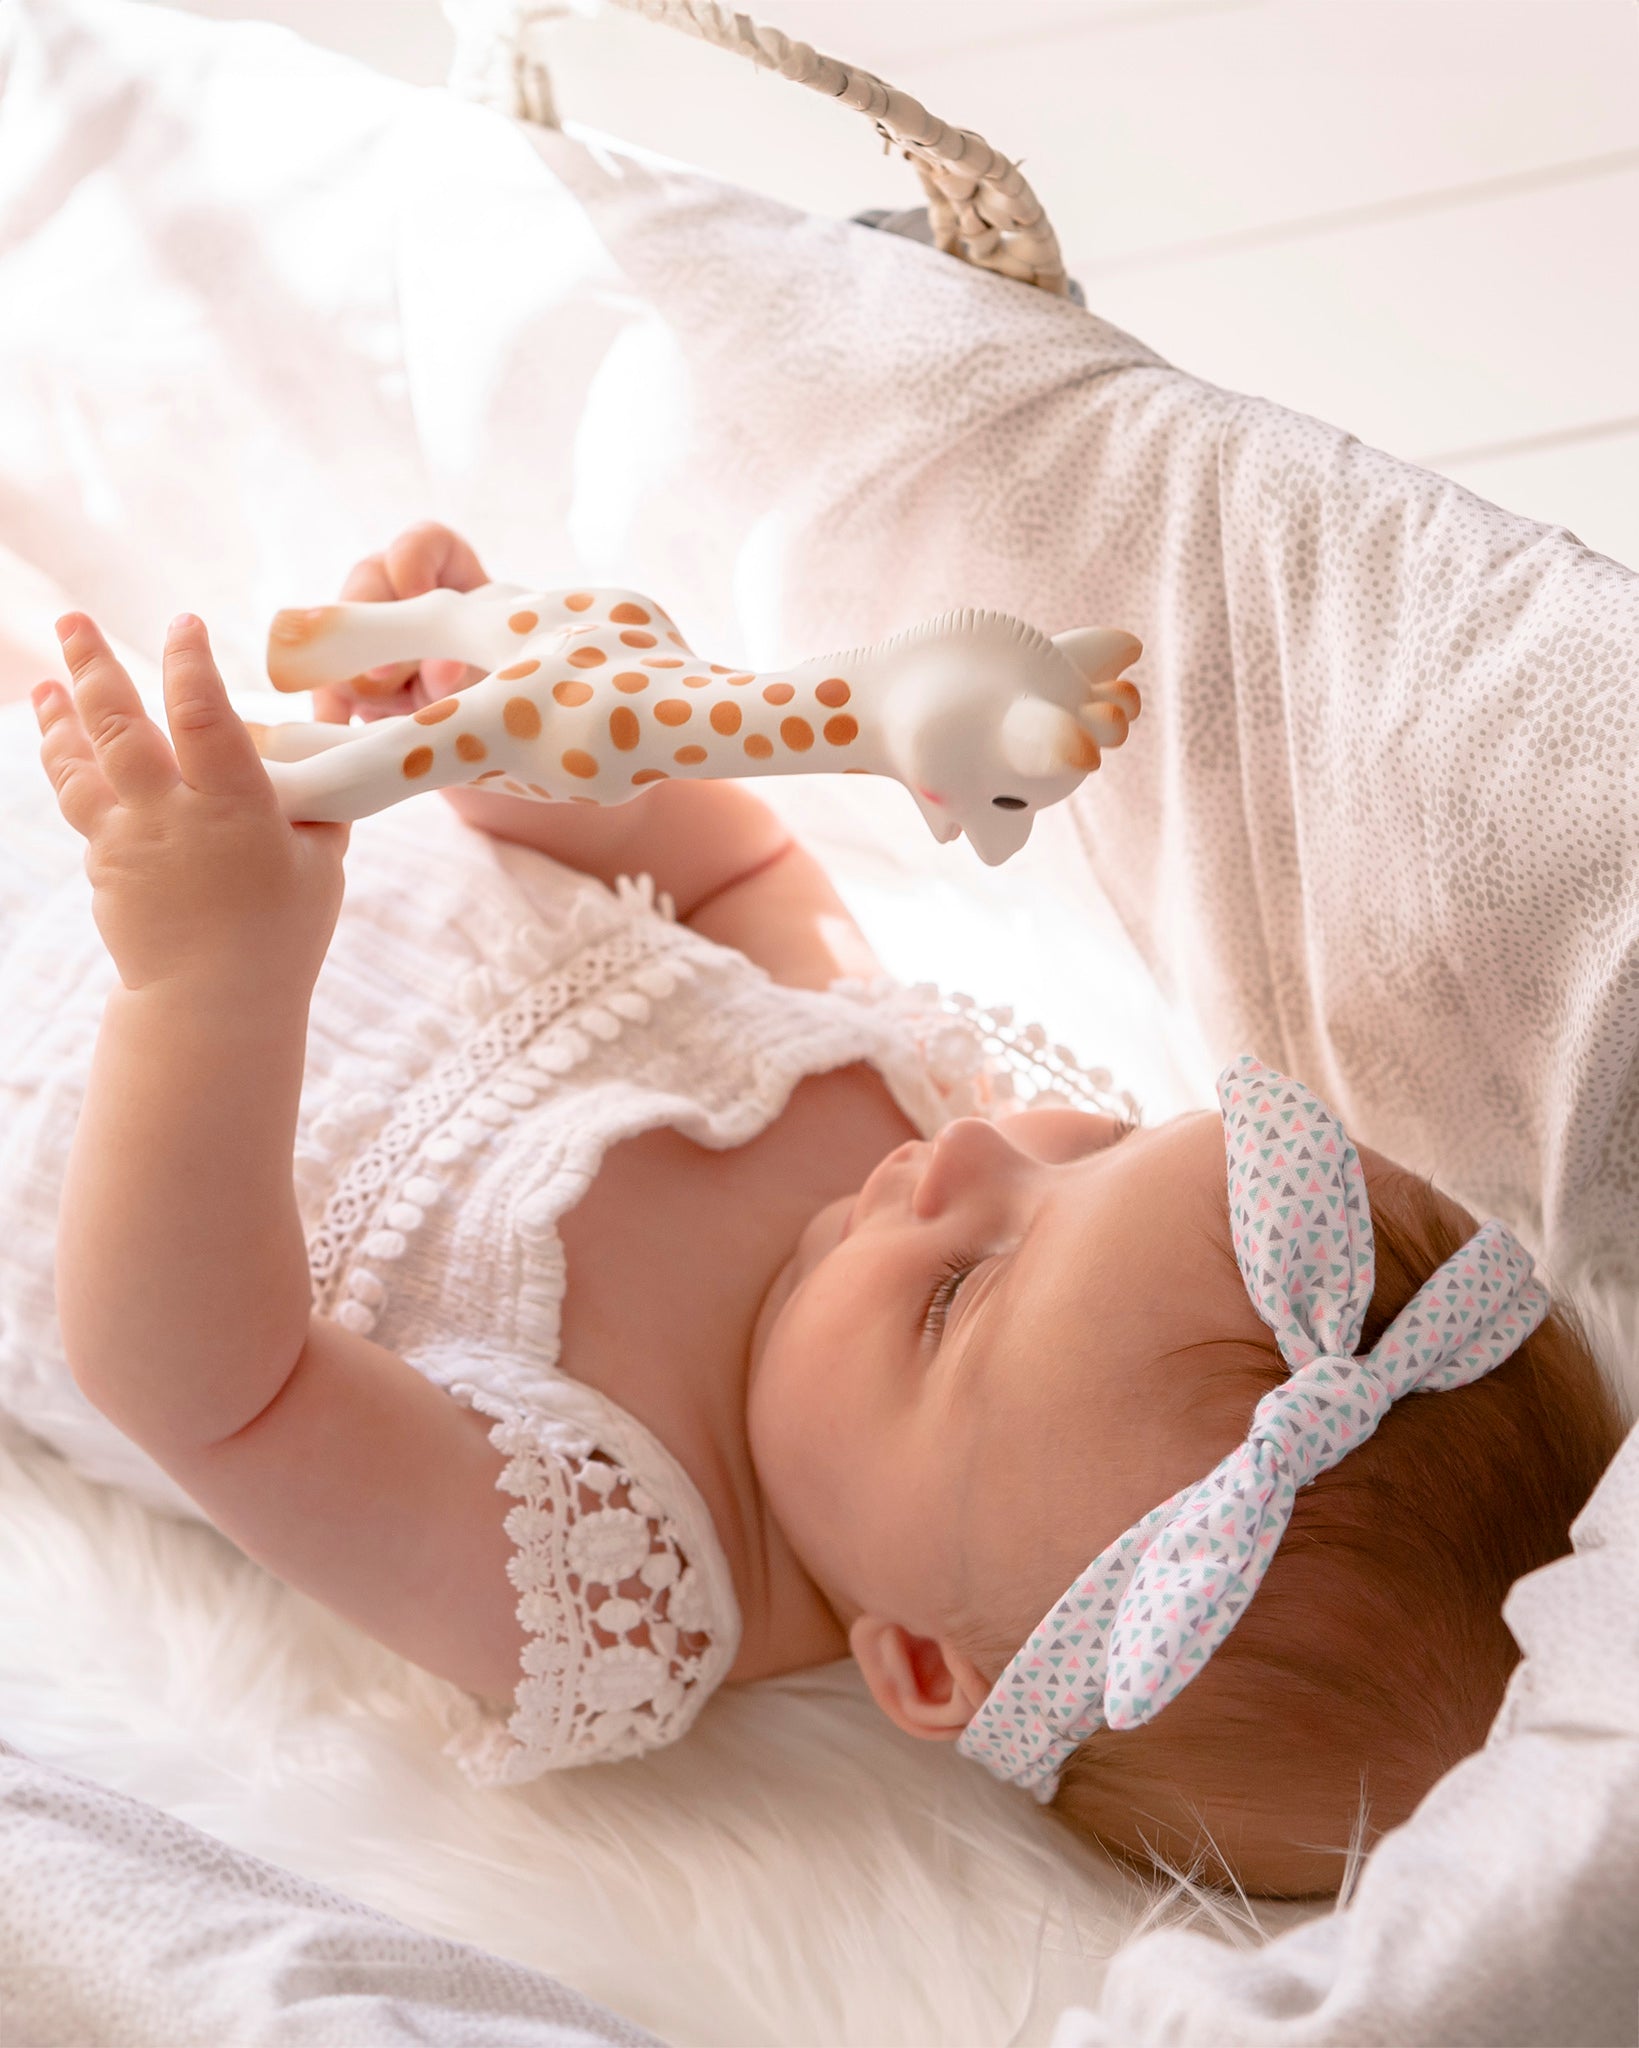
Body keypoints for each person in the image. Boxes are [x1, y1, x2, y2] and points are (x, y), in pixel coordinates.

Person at [2, 521, 1622, 1899]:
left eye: (952, 1300)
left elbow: (210, 1383)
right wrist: (528, 750)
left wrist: (212, 985)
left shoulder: (607, 1578)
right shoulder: (917, 1117)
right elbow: (718, 872)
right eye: (1094, 1150)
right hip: (178, 816)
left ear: (924, 1663)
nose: (974, 1163)